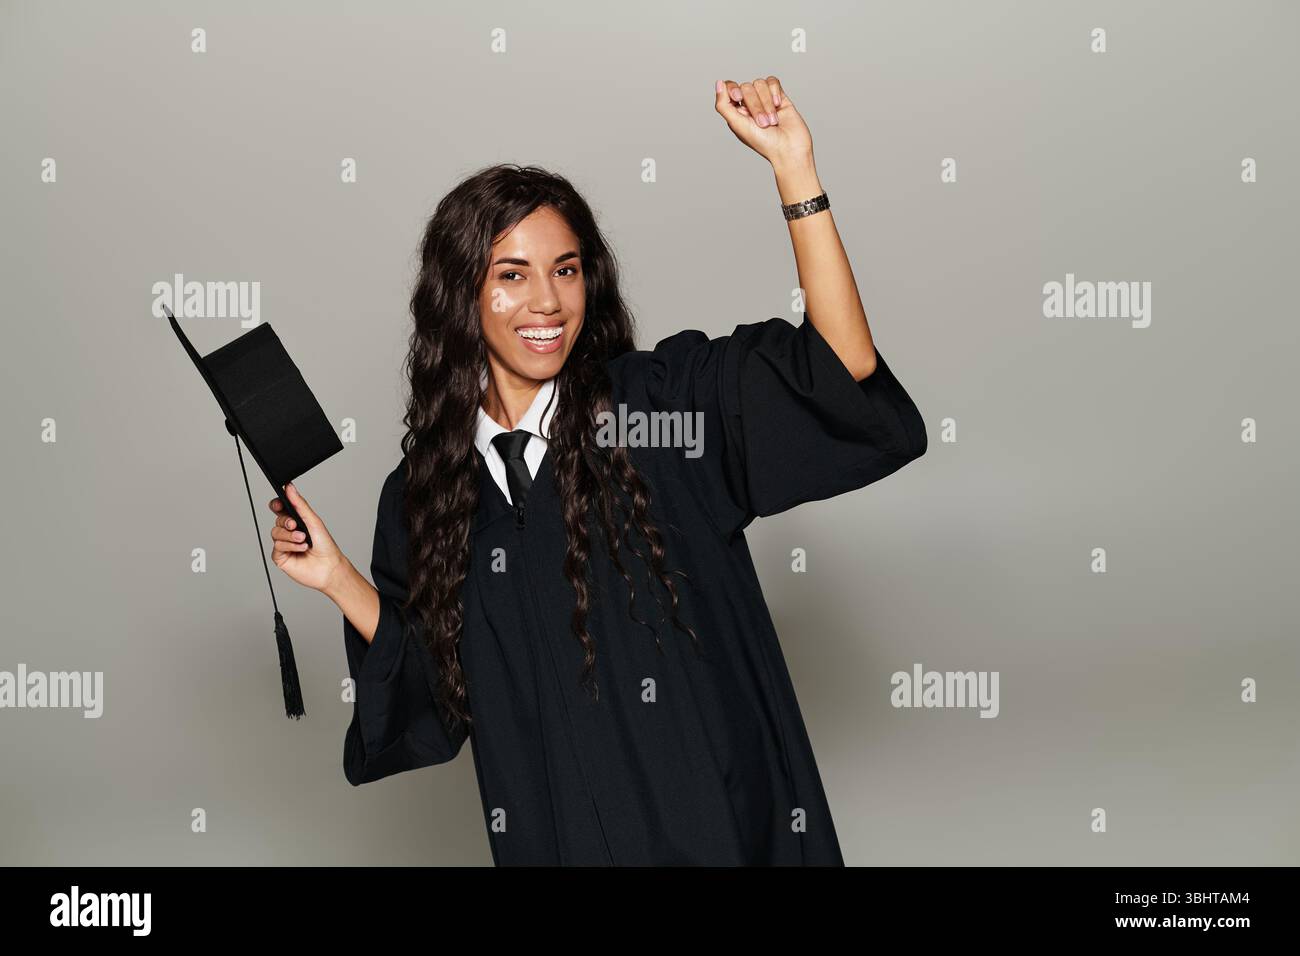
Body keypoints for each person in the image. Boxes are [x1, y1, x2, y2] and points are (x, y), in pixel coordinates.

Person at [265, 75, 927, 865]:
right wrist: (340, 580)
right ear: (461, 296)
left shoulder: (659, 410)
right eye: (511, 274)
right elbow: (440, 698)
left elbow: (839, 366)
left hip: (723, 828)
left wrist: (796, 173)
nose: (546, 301)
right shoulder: (427, 496)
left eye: (567, 269)